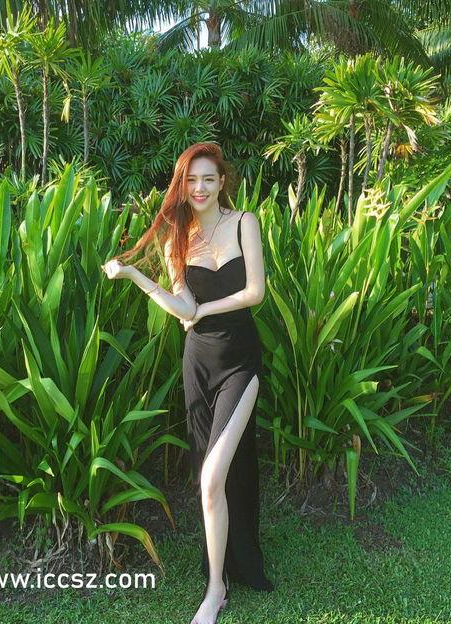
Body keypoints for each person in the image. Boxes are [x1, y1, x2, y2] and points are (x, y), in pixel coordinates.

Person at [101, 142, 274, 624]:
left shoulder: (244, 222)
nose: (199, 188)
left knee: (213, 476)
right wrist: (136, 276)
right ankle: (218, 580)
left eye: (208, 179)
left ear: (222, 182)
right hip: (198, 363)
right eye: (191, 180)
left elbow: (255, 292)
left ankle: (215, 591)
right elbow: (182, 308)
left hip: (240, 361)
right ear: (182, 186)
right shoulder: (176, 241)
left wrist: (204, 310)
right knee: (211, 476)